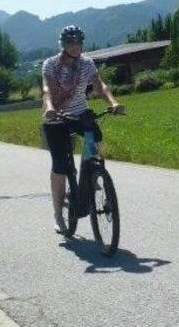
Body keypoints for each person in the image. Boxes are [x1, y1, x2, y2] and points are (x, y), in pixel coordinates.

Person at [41, 25, 125, 233]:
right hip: (56, 117)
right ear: (63, 44)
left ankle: (91, 171)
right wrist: (49, 107)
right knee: (60, 166)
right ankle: (58, 214)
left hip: (80, 113)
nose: (75, 46)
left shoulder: (87, 63)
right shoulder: (51, 64)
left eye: (78, 42)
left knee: (95, 137)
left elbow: (100, 85)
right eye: (71, 42)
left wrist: (113, 102)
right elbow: (47, 89)